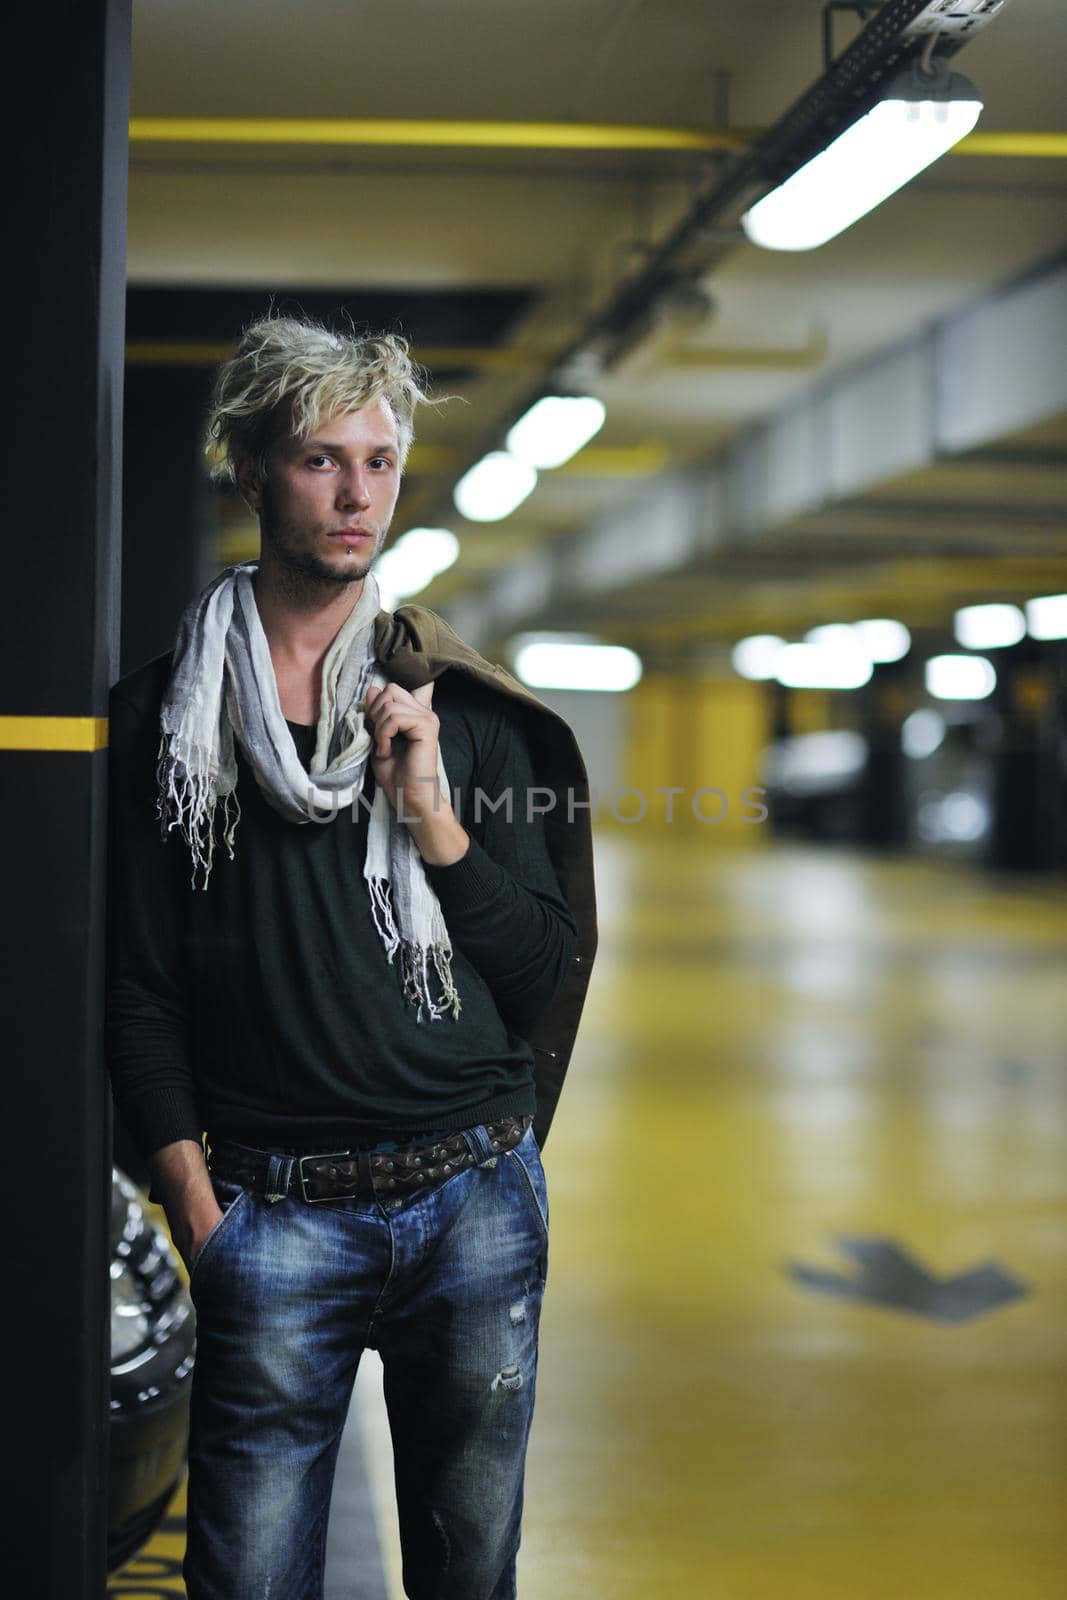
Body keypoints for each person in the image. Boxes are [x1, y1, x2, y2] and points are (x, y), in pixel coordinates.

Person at [106, 314, 596, 1600]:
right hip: (271, 1215)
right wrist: (194, 1204)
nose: (357, 494)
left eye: (378, 462)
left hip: (472, 1201)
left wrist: (432, 815)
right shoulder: (164, 721)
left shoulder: (460, 709)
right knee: (251, 1576)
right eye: (323, 460)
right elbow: (137, 983)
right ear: (252, 468)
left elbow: (541, 965)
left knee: (467, 1570)